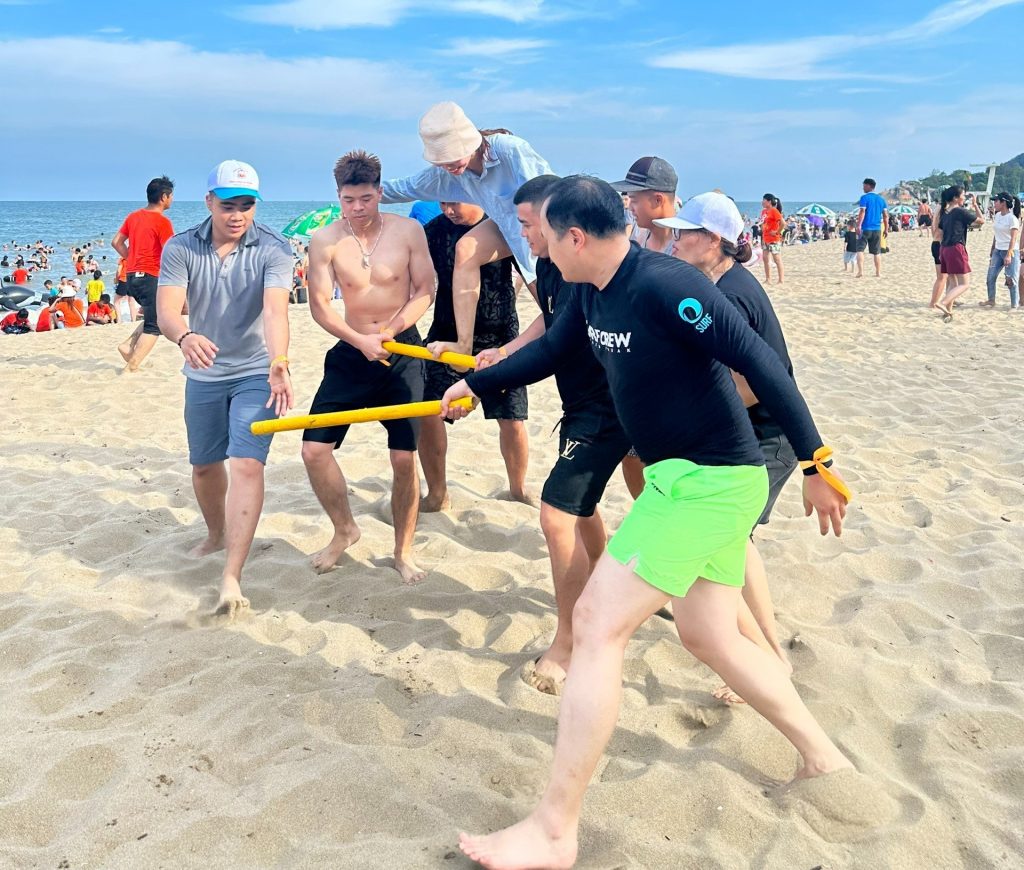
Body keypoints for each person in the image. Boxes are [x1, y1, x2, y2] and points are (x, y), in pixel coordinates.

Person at [441, 176, 852, 869]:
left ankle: (554, 829)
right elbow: (551, 352)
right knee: (710, 636)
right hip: (676, 481)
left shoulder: (666, 286)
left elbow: (761, 362)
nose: (538, 249)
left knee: (597, 623)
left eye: (544, 235)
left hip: (712, 483)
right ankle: (823, 757)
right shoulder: (589, 290)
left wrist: (817, 462)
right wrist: (474, 384)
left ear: (576, 237)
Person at [471, 174, 631, 694]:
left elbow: (558, 348)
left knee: (558, 514)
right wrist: (506, 351)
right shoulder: (547, 263)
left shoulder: (582, 267)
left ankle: (569, 638)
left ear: (557, 221)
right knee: (580, 507)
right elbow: (549, 323)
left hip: (610, 405)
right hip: (582, 403)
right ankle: (605, 585)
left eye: (528, 224)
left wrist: (480, 383)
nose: (523, 234)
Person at [655, 191, 801, 701]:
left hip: (767, 436)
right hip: (749, 433)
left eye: (684, 233)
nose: (673, 241)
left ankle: (769, 657)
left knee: (730, 543)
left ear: (713, 240)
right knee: (732, 543)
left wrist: (691, 416)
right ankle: (765, 653)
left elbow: (753, 384)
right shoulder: (717, 281)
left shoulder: (733, 294)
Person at [156, 159, 294, 616]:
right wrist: (185, 336)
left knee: (247, 464)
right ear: (209, 202)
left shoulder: (274, 247)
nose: (238, 215)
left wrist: (279, 361)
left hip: (257, 371)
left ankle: (232, 576)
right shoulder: (181, 247)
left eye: (247, 205)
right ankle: (216, 534)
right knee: (203, 466)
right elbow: (167, 311)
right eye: (228, 205)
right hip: (203, 371)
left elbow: (275, 311)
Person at [302, 150, 435, 584]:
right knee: (313, 450)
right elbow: (320, 306)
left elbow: (424, 290)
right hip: (352, 350)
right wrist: (360, 340)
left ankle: (403, 551)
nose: (357, 208)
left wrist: (391, 331)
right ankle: (345, 529)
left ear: (379, 192)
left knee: (403, 459)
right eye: (348, 200)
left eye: (365, 198)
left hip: (403, 352)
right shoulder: (325, 240)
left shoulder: (408, 231)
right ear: (338, 196)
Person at [379, 102, 552, 361]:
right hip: (507, 230)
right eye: (441, 160)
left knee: (557, 313)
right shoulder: (450, 173)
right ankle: (463, 344)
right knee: (466, 248)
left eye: (452, 156)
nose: (448, 165)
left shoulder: (509, 150)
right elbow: (406, 187)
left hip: (542, 235)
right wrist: (364, 194)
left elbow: (551, 194)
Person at [419, 200, 531, 511]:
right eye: (443, 202)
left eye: (454, 203)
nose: (448, 210)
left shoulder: (500, 225)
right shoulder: (433, 232)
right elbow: (419, 282)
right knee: (428, 412)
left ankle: (518, 489)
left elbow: (531, 273)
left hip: (500, 333)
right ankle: (437, 493)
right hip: (446, 333)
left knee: (512, 418)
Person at [112, 175, 175, 371]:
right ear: (163, 197)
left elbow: (116, 242)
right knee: (155, 325)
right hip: (150, 276)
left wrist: (131, 259)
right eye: (171, 195)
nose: (172, 199)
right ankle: (132, 366)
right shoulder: (162, 222)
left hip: (132, 277)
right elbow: (170, 253)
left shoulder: (133, 216)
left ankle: (128, 345)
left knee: (154, 316)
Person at [934, 185, 984, 321]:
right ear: (956, 198)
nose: (964, 198)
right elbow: (981, 221)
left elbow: (940, 233)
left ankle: (948, 312)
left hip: (944, 249)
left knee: (953, 283)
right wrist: (975, 205)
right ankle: (943, 302)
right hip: (956, 249)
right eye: (963, 195)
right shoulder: (960, 211)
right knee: (964, 284)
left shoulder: (945, 213)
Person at [610, 156, 678, 255]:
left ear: (658, 200)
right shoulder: (639, 240)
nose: (630, 208)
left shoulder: (684, 248)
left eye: (634, 200)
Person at [980, 192, 1021, 310]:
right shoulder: (997, 215)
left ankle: (1014, 305)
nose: (994, 203)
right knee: (990, 277)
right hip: (998, 251)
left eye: (996, 201)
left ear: (1003, 203)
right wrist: (993, 248)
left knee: (1011, 279)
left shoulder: (1012, 219)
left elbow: (1013, 238)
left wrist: (1008, 255)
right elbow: (996, 234)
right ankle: (991, 300)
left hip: (1010, 251)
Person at [856, 178, 888, 278]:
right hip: (877, 229)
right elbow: (885, 216)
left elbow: (862, 212)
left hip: (865, 228)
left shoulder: (864, 198)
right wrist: (886, 229)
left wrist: (858, 225)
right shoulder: (881, 199)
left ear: (869, 186)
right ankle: (878, 273)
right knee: (877, 252)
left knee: (860, 250)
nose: (863, 188)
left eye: (864, 186)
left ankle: (860, 272)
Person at [760, 194, 784, 284]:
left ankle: (781, 280)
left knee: (777, 259)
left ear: (769, 201)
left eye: (764, 200)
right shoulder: (763, 211)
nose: (762, 202)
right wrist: (763, 229)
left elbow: (783, 223)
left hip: (774, 239)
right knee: (765, 259)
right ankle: (768, 279)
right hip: (765, 238)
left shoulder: (774, 211)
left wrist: (777, 232)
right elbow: (763, 223)